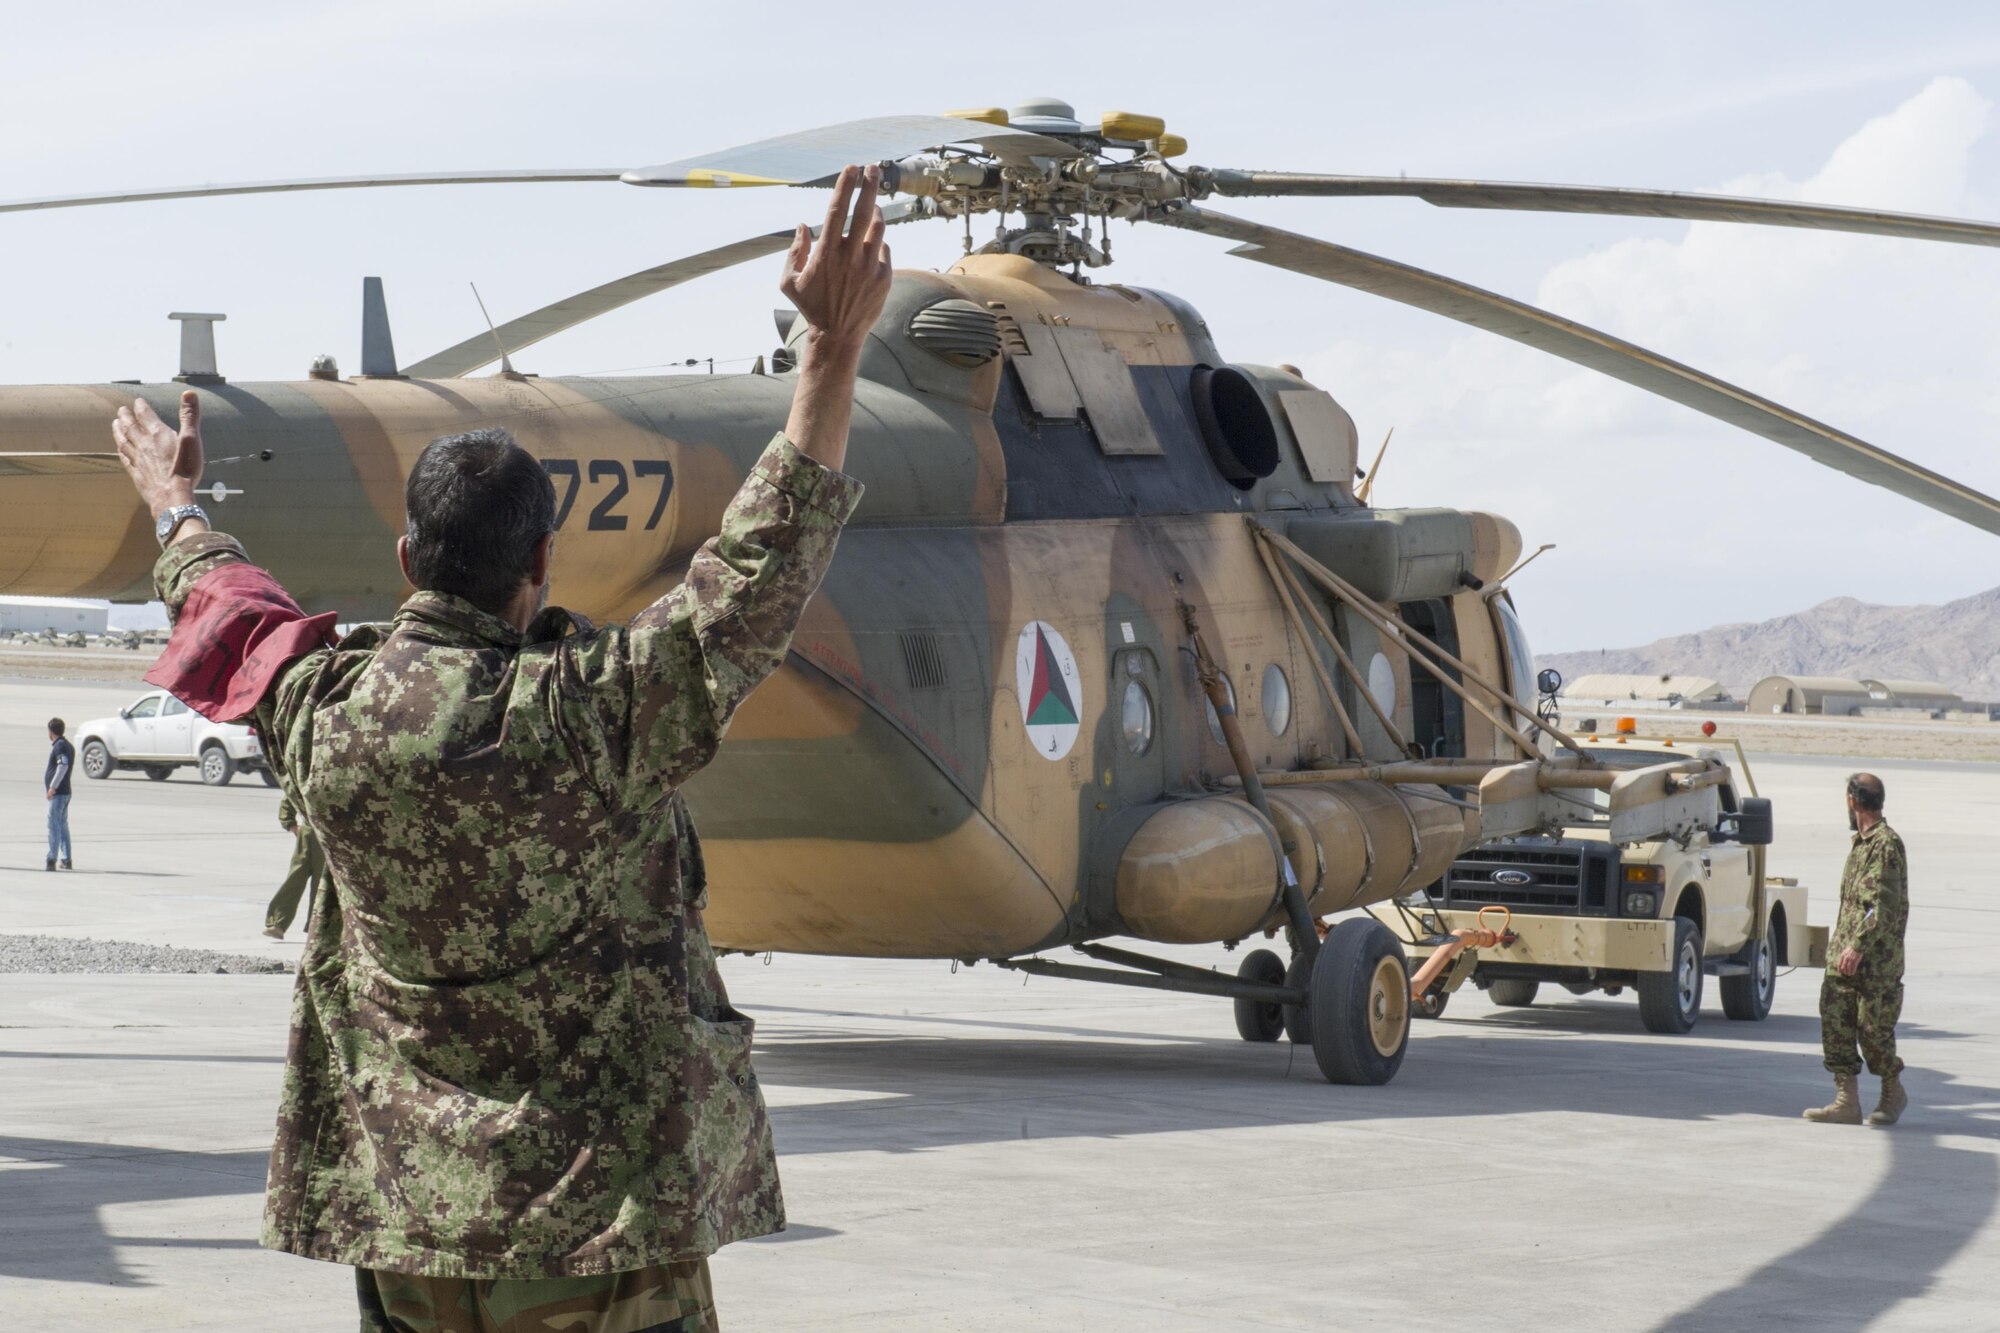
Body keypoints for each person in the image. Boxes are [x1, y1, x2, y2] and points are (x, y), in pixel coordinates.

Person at [111, 165, 892, 1332]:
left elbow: (234, 612)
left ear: (407, 559)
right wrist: (830, 351)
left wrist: (176, 508)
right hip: (599, 1229)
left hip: (414, 1235)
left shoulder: (327, 712)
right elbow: (752, 577)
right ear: (540, 567)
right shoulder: (596, 714)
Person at [1804, 772, 1910, 1127]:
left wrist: (1858, 947)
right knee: (1835, 1022)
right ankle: (1846, 1101)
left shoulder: (1886, 845)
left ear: (1853, 800)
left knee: (1873, 1031)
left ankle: (1892, 1093)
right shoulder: (1861, 843)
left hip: (1875, 961)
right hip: (1845, 956)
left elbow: (1881, 906)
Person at [262, 796, 324, 939]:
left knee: (321, 885)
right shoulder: (306, 776)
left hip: (330, 836)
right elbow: (290, 795)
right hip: (307, 834)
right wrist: (291, 824)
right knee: (294, 879)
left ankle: (317, 929)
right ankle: (278, 924)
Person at [45, 718, 74, 871]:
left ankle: (52, 859)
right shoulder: (68, 745)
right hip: (65, 792)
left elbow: (63, 765)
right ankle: (67, 859)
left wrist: (52, 787)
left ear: (51, 731)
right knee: (62, 826)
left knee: (54, 826)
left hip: (59, 793)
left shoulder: (60, 746)